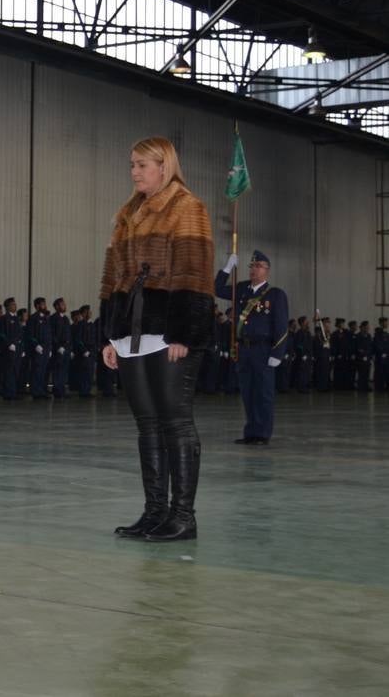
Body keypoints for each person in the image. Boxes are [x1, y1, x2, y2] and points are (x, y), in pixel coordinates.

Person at [101, 136, 214, 542]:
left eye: (142, 165)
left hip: (170, 333)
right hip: (132, 333)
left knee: (176, 422)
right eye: (131, 164)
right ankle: (155, 512)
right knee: (147, 424)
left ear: (163, 166)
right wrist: (110, 335)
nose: (134, 172)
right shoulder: (126, 214)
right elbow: (112, 277)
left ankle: (184, 517)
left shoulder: (187, 207)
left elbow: (195, 271)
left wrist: (185, 332)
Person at [216, 249, 289, 446]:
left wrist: (277, 353)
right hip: (244, 349)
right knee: (248, 392)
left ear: (267, 270)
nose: (253, 270)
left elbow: (282, 326)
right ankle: (251, 432)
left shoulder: (275, 295)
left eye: (258, 266)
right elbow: (216, 289)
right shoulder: (241, 290)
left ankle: (263, 434)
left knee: (263, 393)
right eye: (251, 266)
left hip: (263, 350)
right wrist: (227, 268)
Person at [26, 297, 51, 398]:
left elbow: (49, 334)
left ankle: (41, 390)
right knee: (37, 370)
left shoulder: (46, 318)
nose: (45, 306)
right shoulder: (33, 318)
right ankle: (35, 391)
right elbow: (30, 334)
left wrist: (50, 348)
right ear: (37, 306)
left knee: (43, 371)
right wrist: (36, 345)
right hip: (38, 348)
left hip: (46, 348)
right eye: (43, 304)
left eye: (45, 304)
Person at [0, 298, 22, 399]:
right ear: (7, 307)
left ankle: (13, 391)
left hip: (17, 348)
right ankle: (8, 393)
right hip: (8, 350)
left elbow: (20, 334)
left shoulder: (16, 319)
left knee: (15, 370)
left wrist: (20, 346)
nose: (14, 306)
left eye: (15, 304)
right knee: (8, 371)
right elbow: (1, 333)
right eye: (12, 305)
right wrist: (9, 344)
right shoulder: (4, 318)